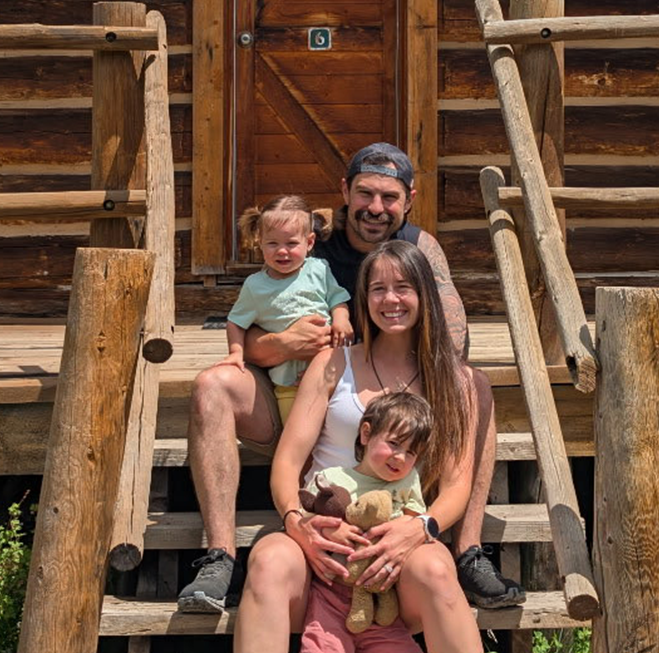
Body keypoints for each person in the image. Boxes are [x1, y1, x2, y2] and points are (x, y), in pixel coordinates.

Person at [198, 240, 534, 653]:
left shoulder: (452, 378)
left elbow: (457, 483)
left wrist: (420, 529)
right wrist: (297, 522)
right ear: (363, 298)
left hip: (401, 541)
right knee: (270, 559)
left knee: (438, 568)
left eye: (403, 287)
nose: (390, 300)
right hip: (324, 533)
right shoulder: (336, 363)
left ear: (424, 295)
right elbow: (288, 459)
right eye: (378, 288)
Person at [178, 142, 523, 614]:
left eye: (389, 197)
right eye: (365, 194)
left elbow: (453, 341)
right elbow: (254, 331)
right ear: (345, 191)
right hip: (295, 394)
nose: (375, 208)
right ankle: (220, 556)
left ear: (409, 200)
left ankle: (468, 551)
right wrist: (285, 343)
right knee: (212, 385)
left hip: (380, 406)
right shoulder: (308, 242)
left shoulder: (421, 247)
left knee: (474, 386)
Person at [297, 392, 442, 653]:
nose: (400, 458)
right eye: (393, 444)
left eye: (411, 452)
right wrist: (325, 527)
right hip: (331, 600)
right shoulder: (331, 477)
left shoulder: (408, 484)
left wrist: (407, 527)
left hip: (382, 605)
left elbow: (416, 527)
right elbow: (307, 520)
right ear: (365, 434)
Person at [216, 196, 354, 423]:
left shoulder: (319, 269)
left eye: (291, 244)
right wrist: (236, 353)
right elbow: (236, 322)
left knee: (336, 426)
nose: (282, 251)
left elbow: (337, 300)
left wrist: (341, 319)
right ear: (260, 243)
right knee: (296, 429)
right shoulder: (255, 286)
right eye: (272, 243)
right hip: (290, 384)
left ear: (309, 242)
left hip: (332, 375)